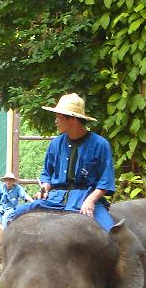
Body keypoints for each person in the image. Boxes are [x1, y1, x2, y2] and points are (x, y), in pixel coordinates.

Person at [12, 93, 115, 231]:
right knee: (15, 216)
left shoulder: (100, 144)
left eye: (58, 117)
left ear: (72, 119)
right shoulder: (55, 144)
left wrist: (90, 201)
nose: (56, 121)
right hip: (55, 199)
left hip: (85, 198)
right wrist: (45, 188)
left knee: (112, 233)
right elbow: (47, 174)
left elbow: (105, 181)